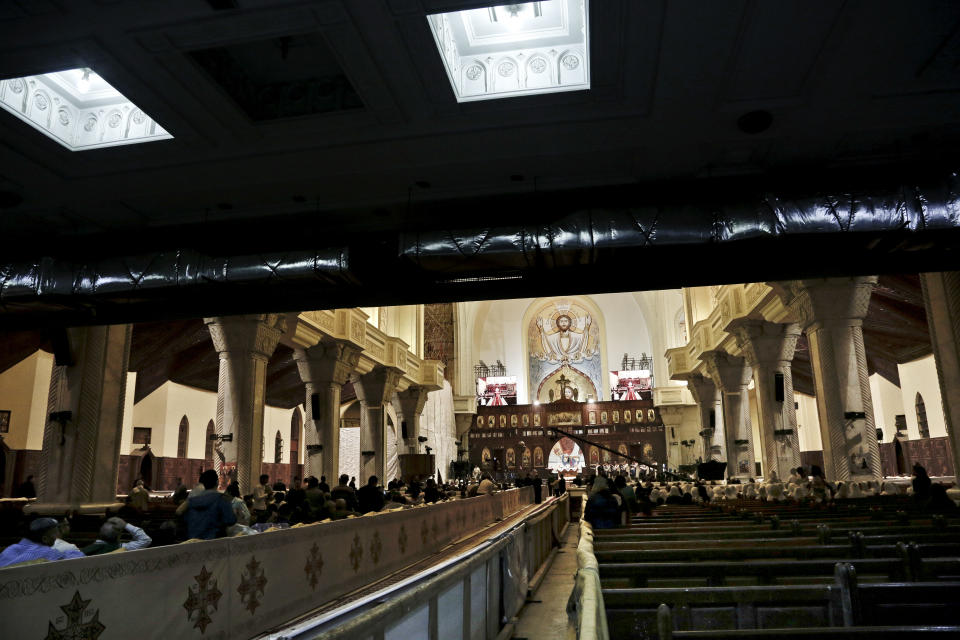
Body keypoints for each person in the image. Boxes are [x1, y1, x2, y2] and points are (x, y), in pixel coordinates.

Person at [0, 517, 85, 567]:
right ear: (45, 539)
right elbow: (80, 558)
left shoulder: (12, 548)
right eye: (55, 534)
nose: (56, 537)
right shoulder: (46, 552)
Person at [181, 469, 236, 539]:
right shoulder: (221, 499)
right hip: (214, 544)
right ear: (217, 482)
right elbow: (230, 520)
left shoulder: (192, 501)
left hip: (192, 542)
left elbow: (186, 520)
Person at [82, 517, 152, 555]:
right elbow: (145, 540)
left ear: (100, 533)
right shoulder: (123, 548)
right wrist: (125, 524)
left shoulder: (83, 551)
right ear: (118, 536)